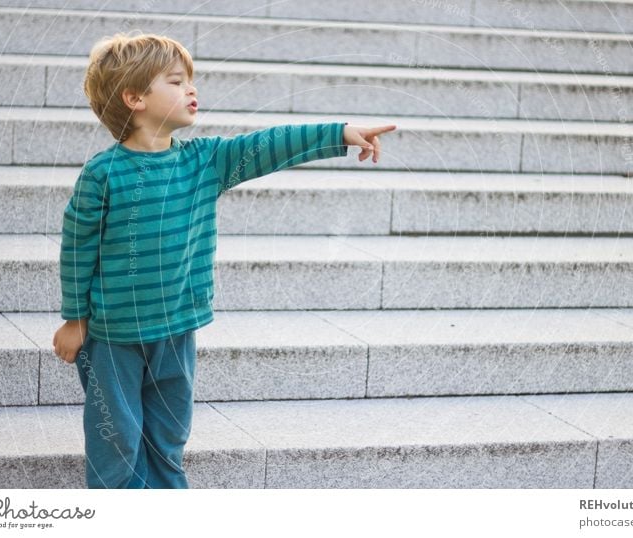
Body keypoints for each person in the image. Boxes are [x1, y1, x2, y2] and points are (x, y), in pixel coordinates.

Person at [51, 31, 396, 488]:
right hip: (113, 337)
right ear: (134, 97)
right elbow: (77, 248)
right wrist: (75, 319)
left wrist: (338, 134)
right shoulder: (103, 174)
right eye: (175, 82)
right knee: (117, 444)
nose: (191, 89)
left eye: (190, 80)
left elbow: (269, 146)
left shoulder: (205, 162)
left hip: (177, 329)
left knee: (168, 437)